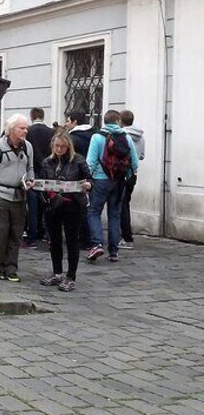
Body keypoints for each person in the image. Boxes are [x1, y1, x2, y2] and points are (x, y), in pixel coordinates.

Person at [0, 113, 34, 282]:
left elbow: (30, 168)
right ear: (11, 129)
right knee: (0, 234)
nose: (25, 131)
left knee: (16, 235)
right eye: (22, 128)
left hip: (20, 196)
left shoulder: (28, 147)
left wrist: (30, 181)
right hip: (1, 196)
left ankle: (11, 268)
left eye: (26, 128)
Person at [38, 133, 92, 292]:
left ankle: (71, 276)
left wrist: (88, 185)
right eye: (56, 146)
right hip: (53, 205)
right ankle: (57, 272)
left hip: (73, 205)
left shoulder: (78, 160)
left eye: (62, 146)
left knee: (71, 240)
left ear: (68, 146)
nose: (59, 149)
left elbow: (89, 178)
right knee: (54, 240)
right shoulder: (47, 162)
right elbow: (41, 181)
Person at [85, 110, 139, 263]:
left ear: (104, 121)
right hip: (119, 182)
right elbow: (134, 162)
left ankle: (97, 244)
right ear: (118, 121)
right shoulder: (126, 137)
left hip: (100, 180)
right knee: (114, 214)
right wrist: (127, 177)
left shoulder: (97, 137)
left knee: (94, 212)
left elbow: (91, 162)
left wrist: (89, 178)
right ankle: (114, 251)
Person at [65, 110, 96, 249]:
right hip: (93, 175)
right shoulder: (94, 134)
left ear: (75, 121)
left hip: (76, 175)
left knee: (78, 208)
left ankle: (83, 238)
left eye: (68, 120)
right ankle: (91, 238)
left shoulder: (73, 138)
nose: (66, 124)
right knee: (89, 208)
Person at [25, 107, 55, 248]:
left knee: (33, 205)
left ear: (32, 116)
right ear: (43, 116)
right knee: (47, 204)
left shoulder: (28, 132)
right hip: (48, 172)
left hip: (33, 171)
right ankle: (46, 232)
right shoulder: (51, 132)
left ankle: (32, 235)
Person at [119, 110, 145, 249]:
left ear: (120, 121)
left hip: (122, 173)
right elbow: (141, 156)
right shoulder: (140, 137)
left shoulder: (122, 136)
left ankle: (126, 237)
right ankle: (124, 235)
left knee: (121, 205)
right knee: (125, 203)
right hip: (133, 174)